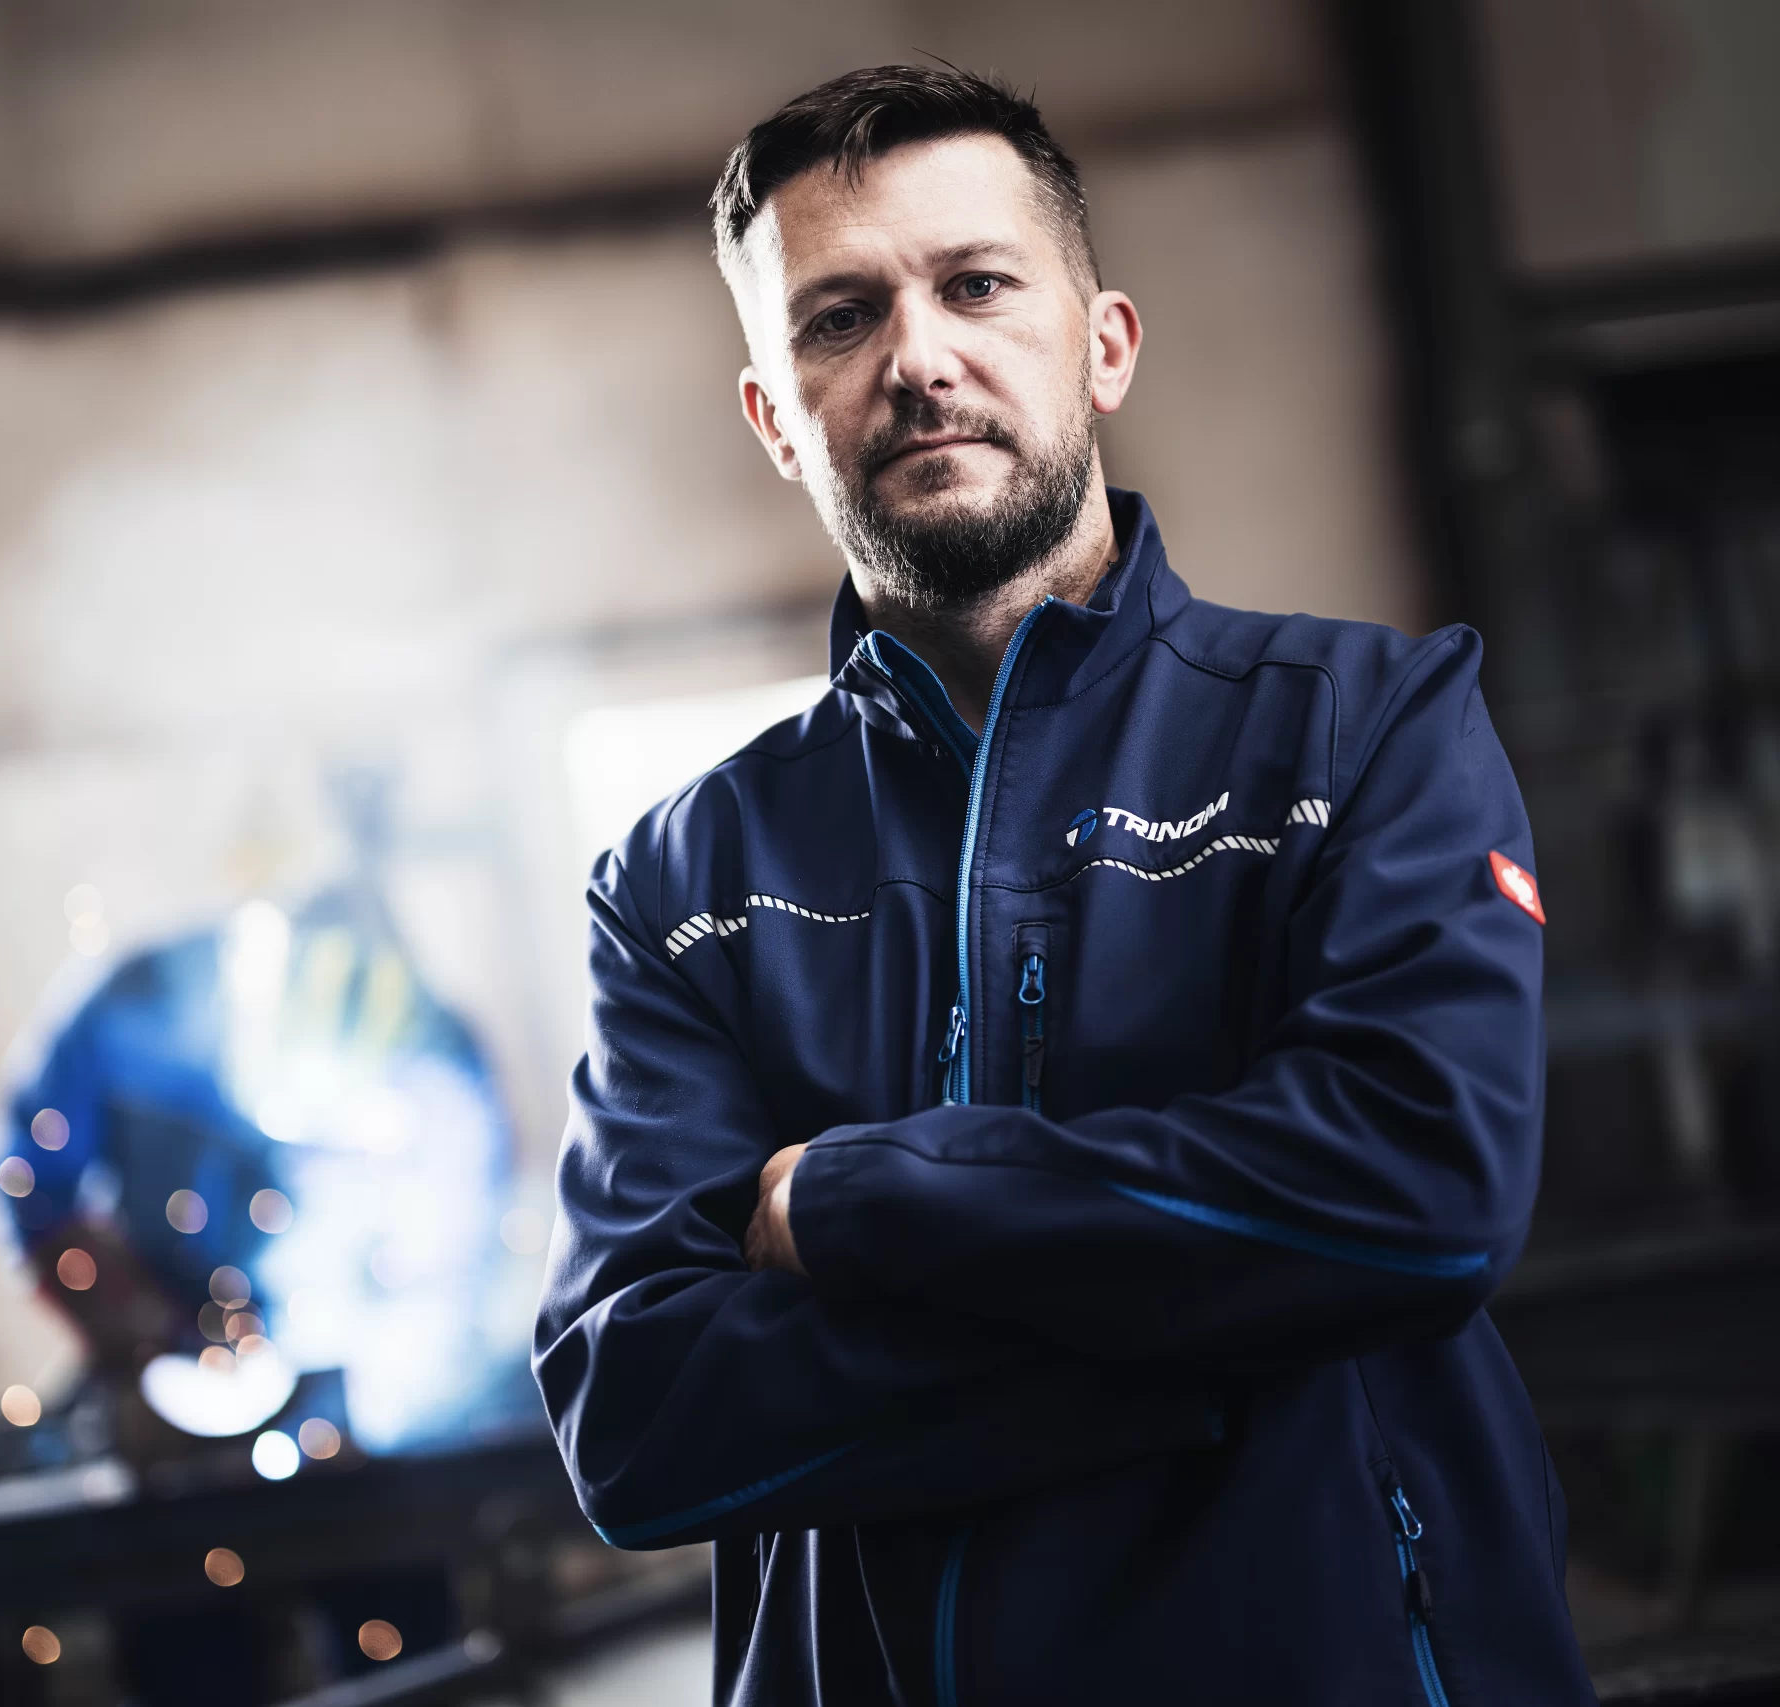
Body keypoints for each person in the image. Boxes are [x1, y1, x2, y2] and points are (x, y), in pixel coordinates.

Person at [532, 64, 1594, 1706]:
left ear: (1104, 346)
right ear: (775, 418)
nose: (918, 358)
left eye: (976, 285)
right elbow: (638, 1415)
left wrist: (862, 1197)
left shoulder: (1365, 727)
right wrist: (1213, 1339)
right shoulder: (686, 881)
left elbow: (1421, 1188)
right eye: (839, 318)